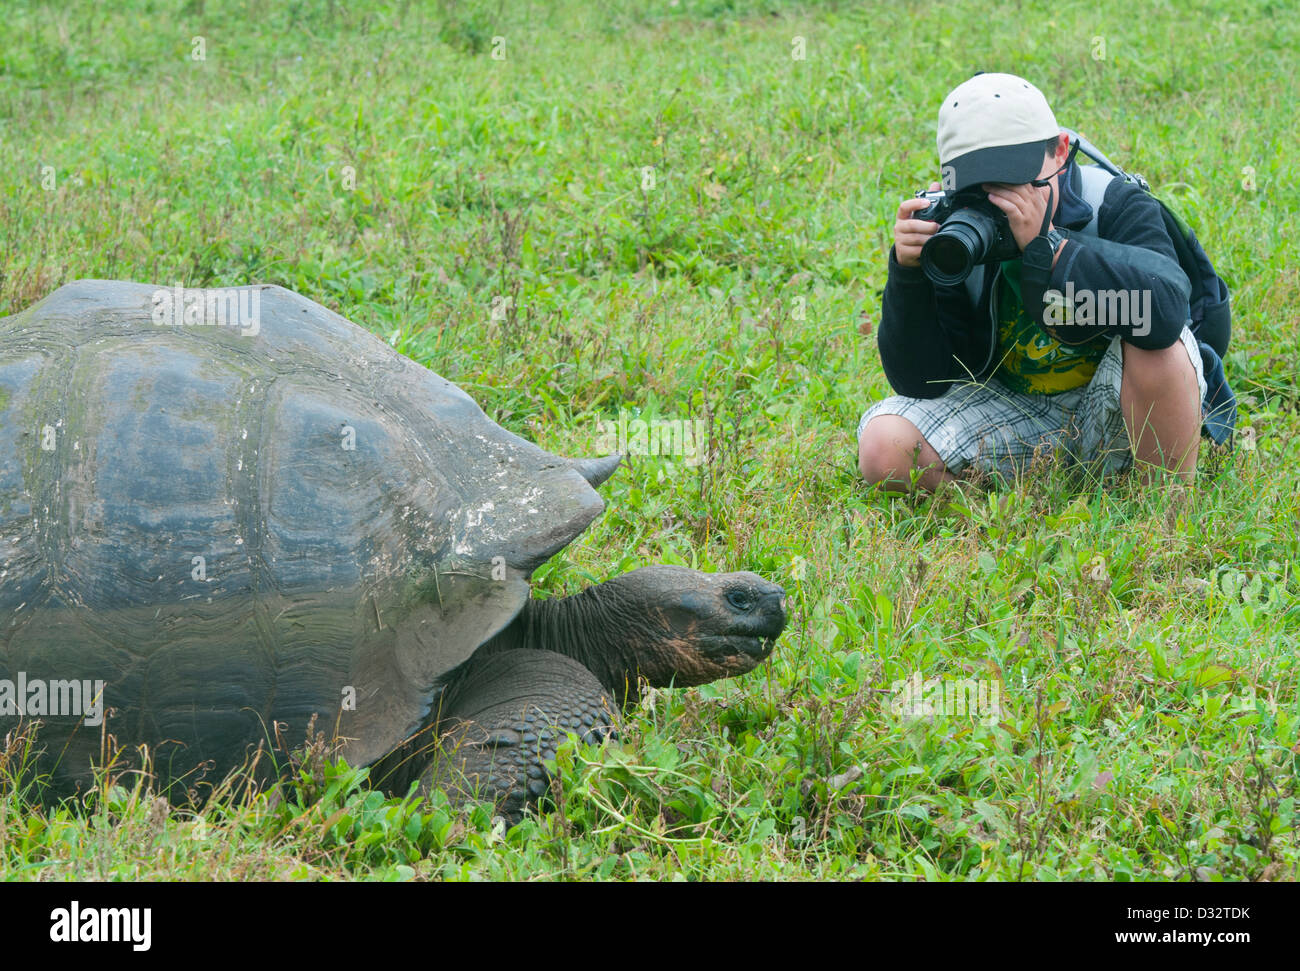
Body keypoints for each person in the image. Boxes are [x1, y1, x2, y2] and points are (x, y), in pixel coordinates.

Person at [857, 73, 1212, 491]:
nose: (1002, 199)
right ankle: (1002, 519)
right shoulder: (956, 230)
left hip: (1121, 407)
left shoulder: (1113, 204)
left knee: (1160, 348)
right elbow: (920, 380)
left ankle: (1166, 512)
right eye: (980, 185)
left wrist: (1054, 250)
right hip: (1016, 411)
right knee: (885, 446)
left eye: (1016, 177)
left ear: (1061, 150)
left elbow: (1168, 310)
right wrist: (909, 273)